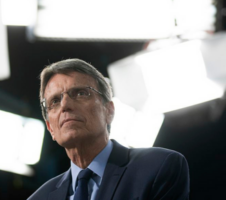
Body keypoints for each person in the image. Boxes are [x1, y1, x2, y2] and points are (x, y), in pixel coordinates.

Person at [28, 58, 189, 200]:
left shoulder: (157, 168)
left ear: (109, 111)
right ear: (50, 128)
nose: (65, 105)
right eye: (55, 101)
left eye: (80, 93)